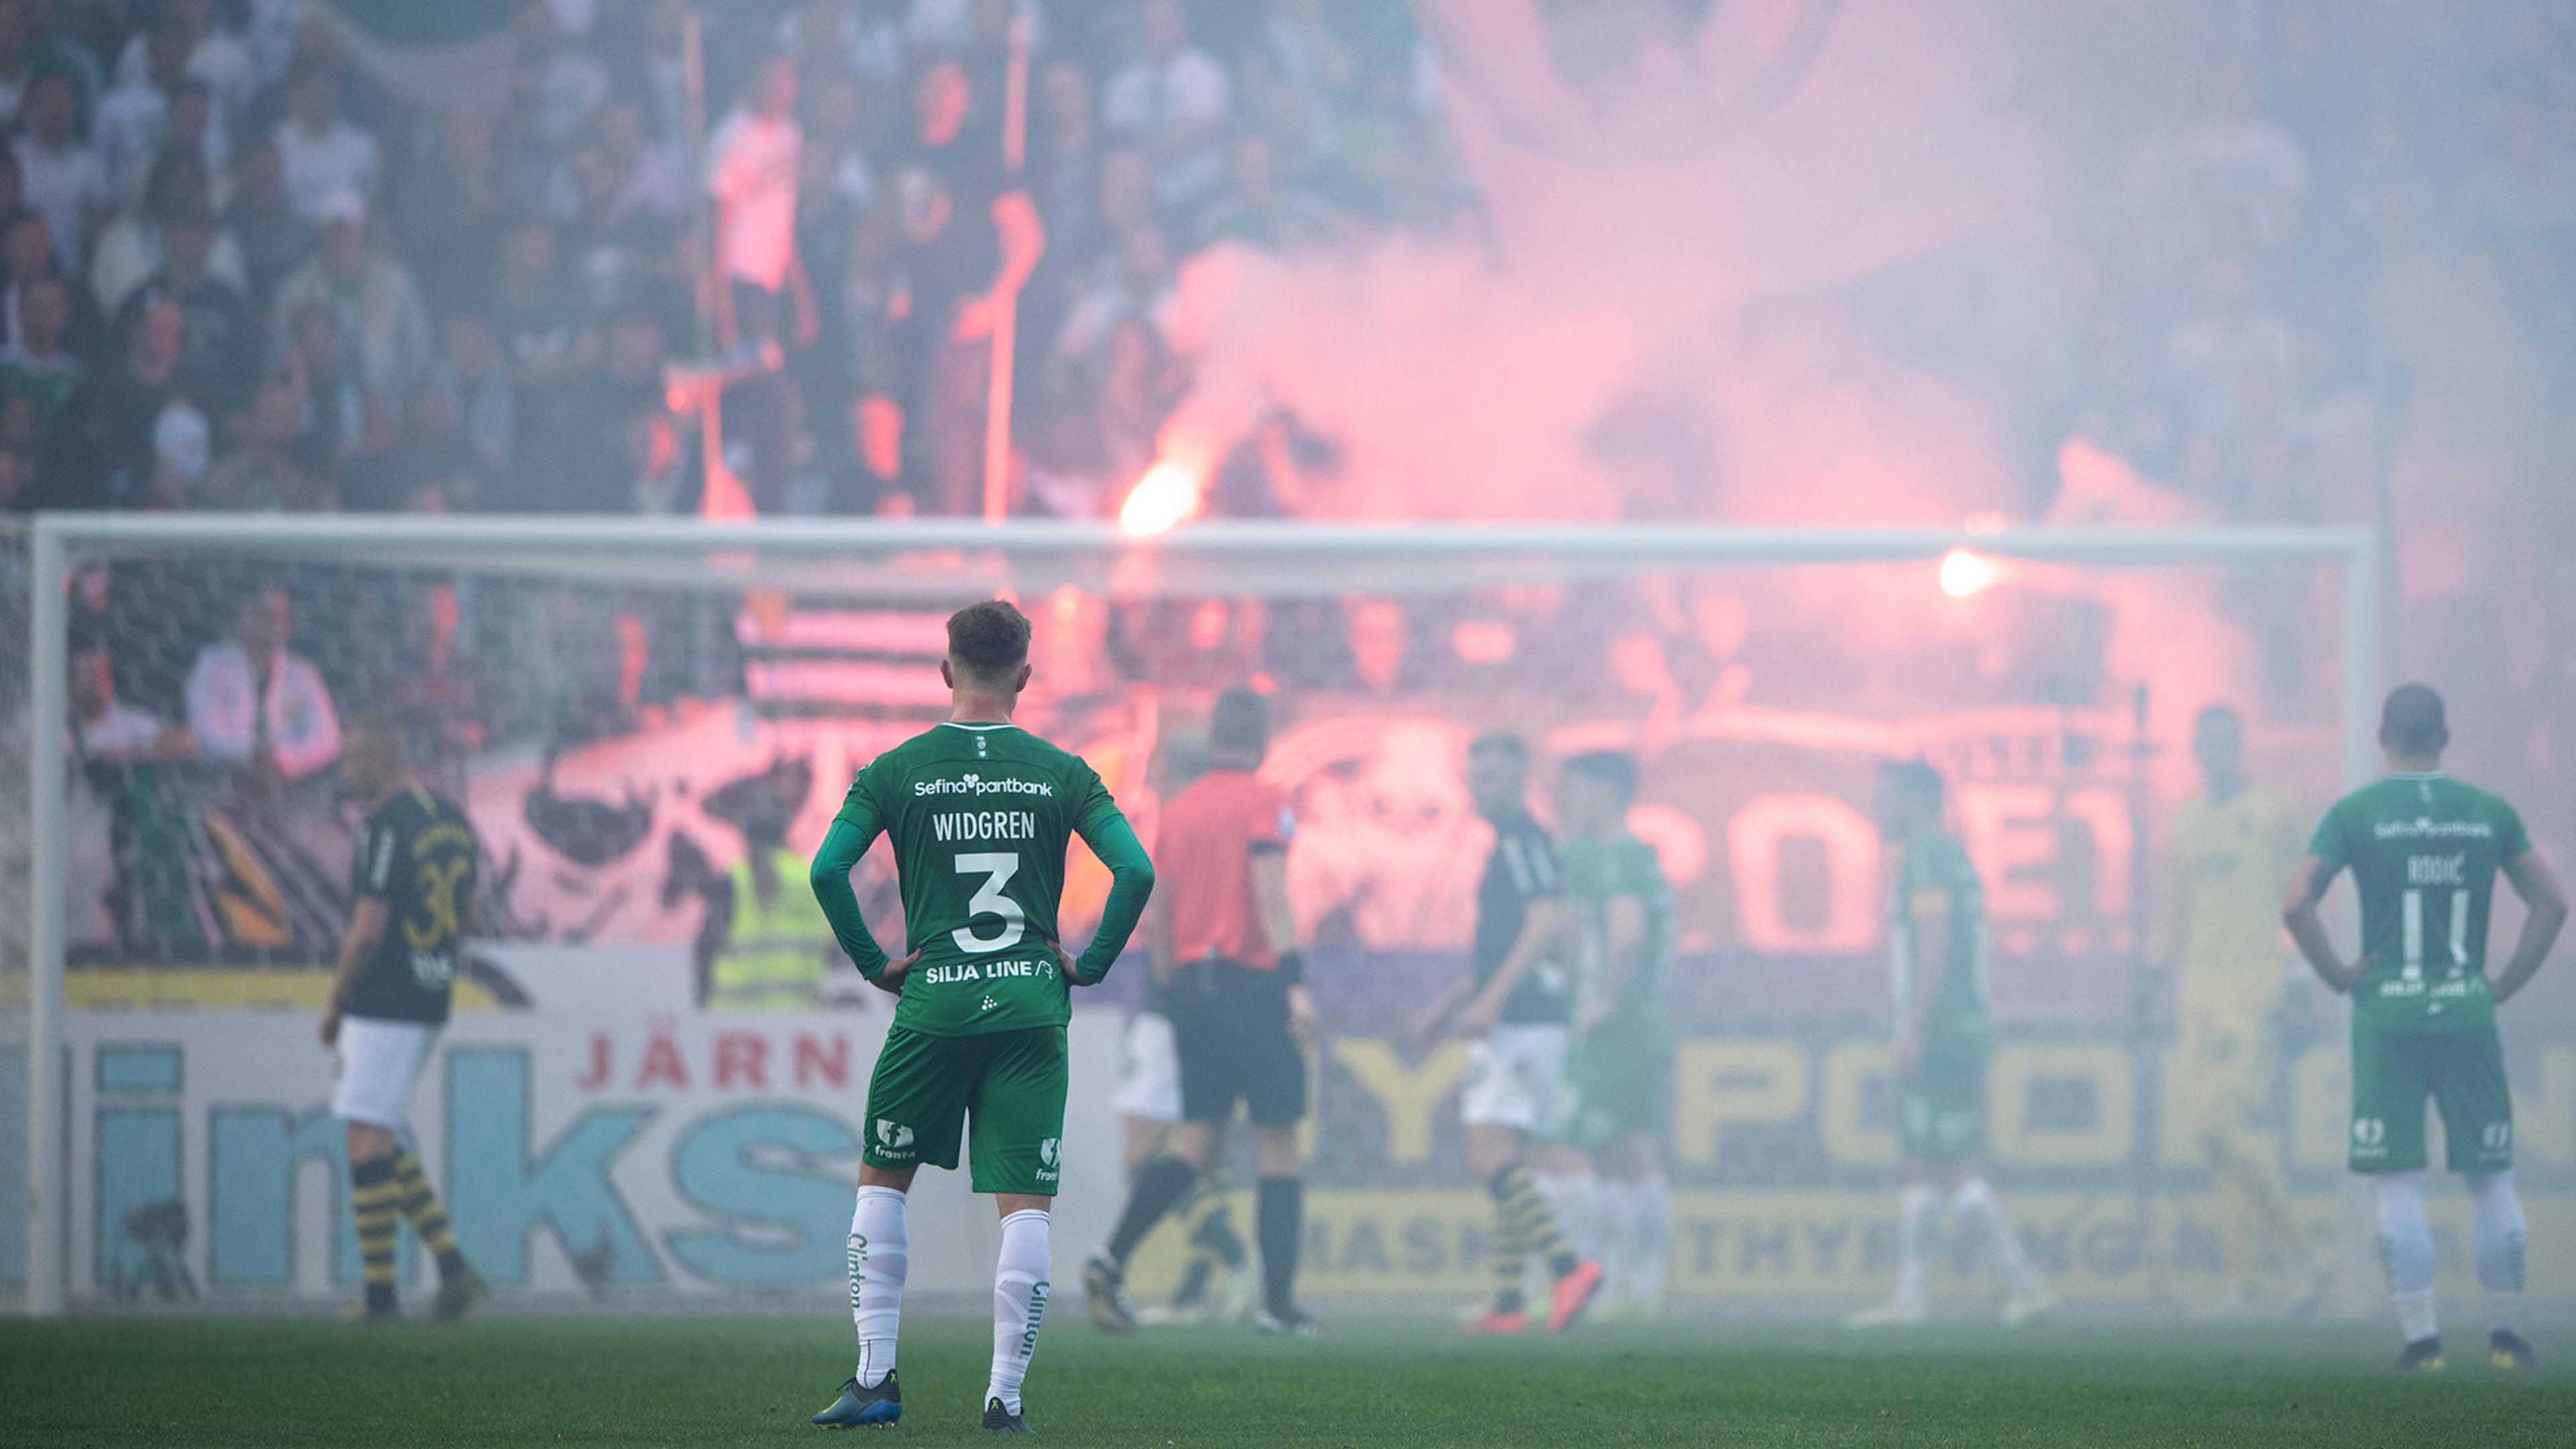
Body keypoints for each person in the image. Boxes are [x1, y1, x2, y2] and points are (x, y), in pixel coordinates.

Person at [806, 599, 1154, 1432]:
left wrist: (874, 964)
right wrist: (1092, 963)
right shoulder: (1065, 771)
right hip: (1032, 1005)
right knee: (1026, 1205)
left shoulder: (896, 769)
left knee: (882, 1184)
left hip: (936, 1005)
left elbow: (827, 870)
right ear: (1026, 678)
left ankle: (875, 1380)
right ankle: (1004, 1397)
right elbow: (1135, 871)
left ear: (946, 670)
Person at [2282, 685, 2565, 1373]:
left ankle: (2422, 1344)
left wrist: (2339, 975)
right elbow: (2552, 905)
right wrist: (2502, 985)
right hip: (2466, 1010)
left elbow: (2295, 905)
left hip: (2388, 1015)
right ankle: (2507, 1340)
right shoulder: (2489, 813)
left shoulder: (2354, 814)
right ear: (2447, 735)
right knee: (2491, 1178)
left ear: (2383, 735)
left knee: (2398, 1184)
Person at [1085, 686, 1320, 1338]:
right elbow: (1270, 889)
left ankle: (1110, 1257)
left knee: (1197, 1145)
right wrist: (1295, 982)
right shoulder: (1267, 802)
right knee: (1277, 1145)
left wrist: (1173, 994)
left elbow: (1158, 914)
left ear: (1214, 736)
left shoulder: (1180, 811)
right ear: (1265, 738)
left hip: (1192, 991)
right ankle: (1278, 1306)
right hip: (1254, 983)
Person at [1847, 759, 2054, 1329]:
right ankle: (1912, 1297)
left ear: (1917, 800)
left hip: (1940, 1031)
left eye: (1886, 796)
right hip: (1956, 1027)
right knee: (1921, 1160)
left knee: (1948, 1165)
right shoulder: (1950, 858)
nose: (1878, 808)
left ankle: (2022, 1283)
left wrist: (1912, 1027)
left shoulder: (1928, 858)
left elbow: (1934, 944)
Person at [1415, 732, 1603, 1334]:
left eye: (1492, 777)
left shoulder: (1522, 838)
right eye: (1476, 776)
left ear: (1520, 778)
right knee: (1509, 1159)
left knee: (1488, 1154)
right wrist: (1450, 999)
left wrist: (1491, 1001)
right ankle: (1506, 1303)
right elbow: (1505, 941)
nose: (1480, 788)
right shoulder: (1510, 844)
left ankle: (1568, 1269)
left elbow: (1544, 923)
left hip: (1520, 1022)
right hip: (1525, 1017)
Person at [317, 713, 488, 1323]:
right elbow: (470, 913)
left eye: (353, 756)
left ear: (384, 757)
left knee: (364, 1134)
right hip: (431, 990)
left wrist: (337, 998)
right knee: (379, 1129)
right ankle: (451, 1268)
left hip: (384, 994)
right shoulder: (452, 820)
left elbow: (367, 930)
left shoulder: (383, 827)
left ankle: (383, 1294)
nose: (345, 769)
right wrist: (434, 963)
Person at [2151, 704, 2313, 1316]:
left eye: (2227, 742)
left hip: (2253, 990)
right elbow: (2174, 910)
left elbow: (2298, 897)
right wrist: (2152, 972)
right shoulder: (2185, 822)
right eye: (2206, 744)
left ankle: (2305, 1252)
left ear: (2241, 747)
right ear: (2196, 752)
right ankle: (2242, 1282)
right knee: (2211, 1138)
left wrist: (2299, 975)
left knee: (2223, 1122)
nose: (2217, 754)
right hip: (2196, 994)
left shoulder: (2276, 811)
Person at [1552, 751, 1674, 1318]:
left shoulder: (1618, 858)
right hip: (1647, 1025)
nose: (1568, 799)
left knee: (1584, 1152)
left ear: (1606, 791)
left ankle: (1595, 1281)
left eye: (1577, 789)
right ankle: (1643, 1288)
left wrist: (1603, 998)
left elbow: (1625, 936)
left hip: (1616, 1028)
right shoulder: (1638, 856)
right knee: (1638, 1152)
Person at [184, 584, 341, 784]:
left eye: (283, 618)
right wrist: (251, 754)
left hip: (288, 786)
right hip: (221, 780)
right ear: (241, 616)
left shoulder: (303, 673)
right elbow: (204, 732)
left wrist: (285, 759)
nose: (275, 626)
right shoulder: (214, 664)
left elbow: (329, 740)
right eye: (266, 616)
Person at [702, 797, 840, 1012]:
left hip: (735, 1023)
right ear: (785, 831)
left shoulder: (736, 880)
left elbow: (705, 948)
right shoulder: (810, 878)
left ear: (746, 835)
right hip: (800, 1018)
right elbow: (833, 948)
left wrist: (701, 1011)